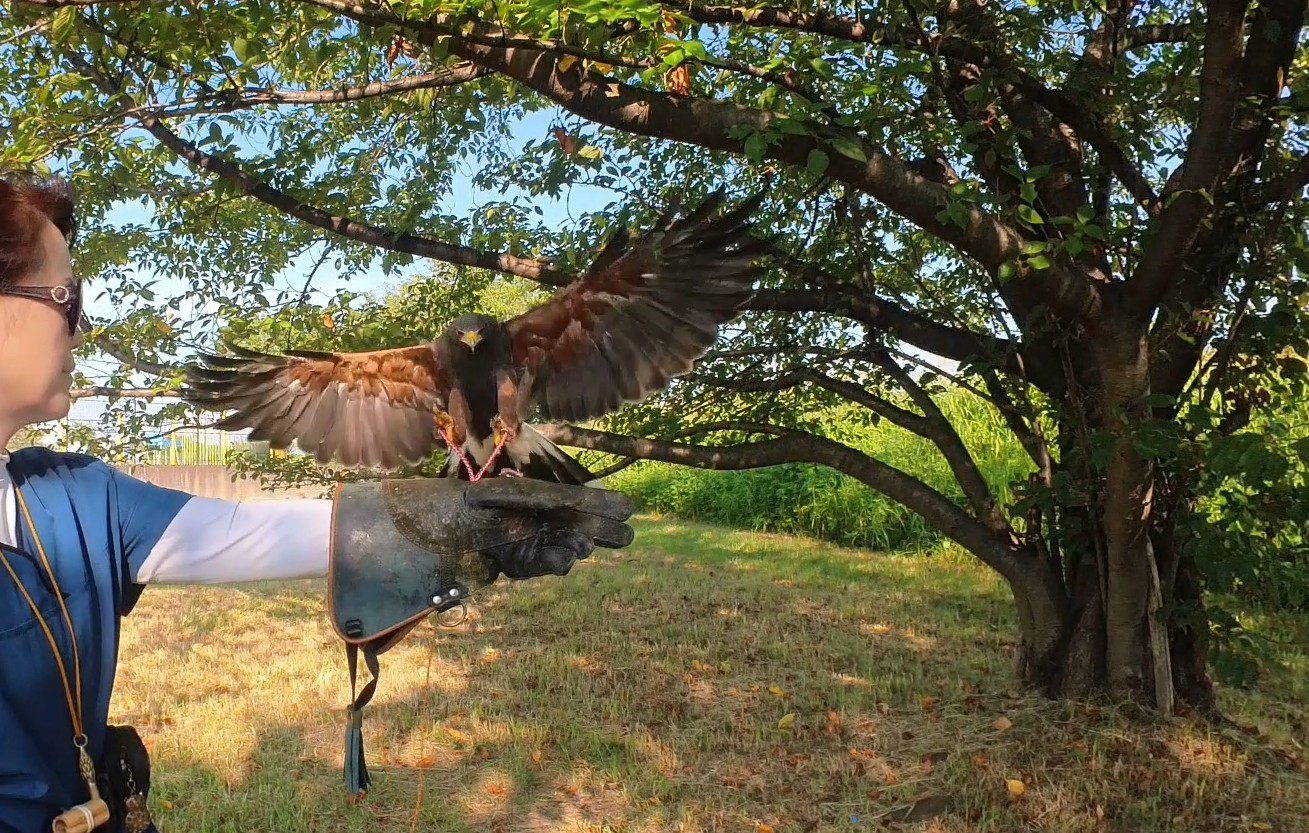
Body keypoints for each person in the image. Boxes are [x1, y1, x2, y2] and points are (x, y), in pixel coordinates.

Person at [0, 169, 636, 833]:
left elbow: (268, 531)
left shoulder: (77, 502)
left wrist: (465, 524)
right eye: (67, 299)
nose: (81, 326)